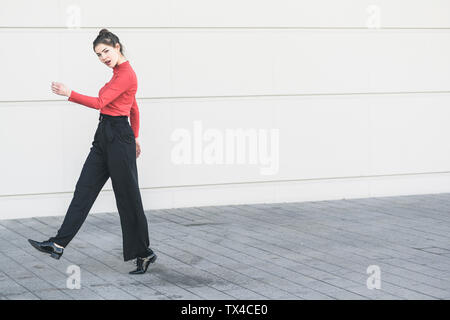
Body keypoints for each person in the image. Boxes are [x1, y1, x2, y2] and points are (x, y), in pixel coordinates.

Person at [28, 28, 157, 275]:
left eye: (106, 51)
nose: (103, 57)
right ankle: (57, 244)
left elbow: (100, 102)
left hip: (119, 138)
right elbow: (134, 108)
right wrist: (137, 137)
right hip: (105, 136)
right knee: (84, 189)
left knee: (127, 198)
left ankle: (144, 253)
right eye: (98, 54)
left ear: (117, 46)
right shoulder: (117, 74)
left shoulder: (126, 74)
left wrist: (69, 94)